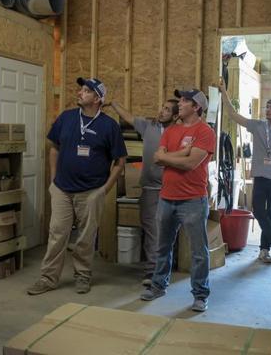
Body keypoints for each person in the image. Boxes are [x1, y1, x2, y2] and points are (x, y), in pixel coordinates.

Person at [26, 77, 127, 295]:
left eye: (86, 91)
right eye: (80, 89)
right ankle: (47, 278)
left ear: (98, 99)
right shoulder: (66, 118)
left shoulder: (109, 126)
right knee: (56, 234)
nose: (80, 93)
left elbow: (120, 162)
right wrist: (53, 180)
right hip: (62, 189)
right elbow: (54, 148)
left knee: (85, 237)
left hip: (91, 191)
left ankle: (82, 276)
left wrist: (104, 190)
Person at [139, 88, 216, 312]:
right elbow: (157, 158)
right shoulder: (171, 130)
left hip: (193, 199)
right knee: (162, 246)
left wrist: (169, 157)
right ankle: (158, 285)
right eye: (180, 100)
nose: (179, 104)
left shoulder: (205, 132)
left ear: (196, 107)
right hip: (167, 197)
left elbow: (190, 164)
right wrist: (183, 153)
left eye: (184, 101)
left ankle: (200, 295)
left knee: (198, 251)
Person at [219, 79, 271, 263]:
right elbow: (233, 115)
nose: (268, 110)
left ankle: (264, 250)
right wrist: (224, 92)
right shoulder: (257, 126)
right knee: (259, 211)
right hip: (260, 176)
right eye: (267, 107)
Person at [108, 99, 179, 286]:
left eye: (166, 109)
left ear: (175, 115)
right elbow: (129, 118)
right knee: (151, 231)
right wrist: (115, 104)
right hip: (150, 189)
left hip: (172, 189)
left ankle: (163, 270)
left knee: (167, 232)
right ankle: (151, 272)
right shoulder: (149, 127)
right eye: (161, 107)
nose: (161, 111)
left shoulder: (180, 132)